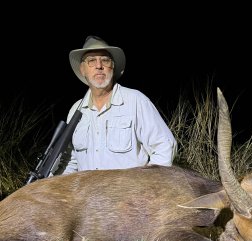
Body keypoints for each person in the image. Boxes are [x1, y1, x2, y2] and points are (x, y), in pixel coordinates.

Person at [56, 35, 177, 174]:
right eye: (91, 61)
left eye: (105, 60)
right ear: (83, 69)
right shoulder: (75, 110)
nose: (99, 66)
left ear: (112, 67)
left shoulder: (136, 100)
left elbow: (165, 145)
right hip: (87, 195)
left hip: (129, 194)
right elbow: (71, 161)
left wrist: (148, 185)